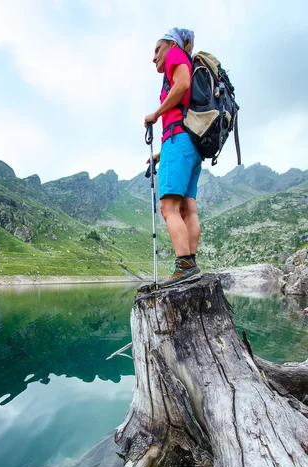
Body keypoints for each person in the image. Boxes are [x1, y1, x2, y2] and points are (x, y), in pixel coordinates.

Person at [144, 27, 202, 287]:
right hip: (190, 144)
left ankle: (184, 266)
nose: (154, 56)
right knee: (188, 209)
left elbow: (182, 86)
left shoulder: (175, 57)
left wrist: (156, 114)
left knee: (169, 207)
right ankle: (192, 264)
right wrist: (160, 154)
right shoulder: (183, 59)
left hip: (177, 140)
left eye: (157, 49)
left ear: (171, 45)